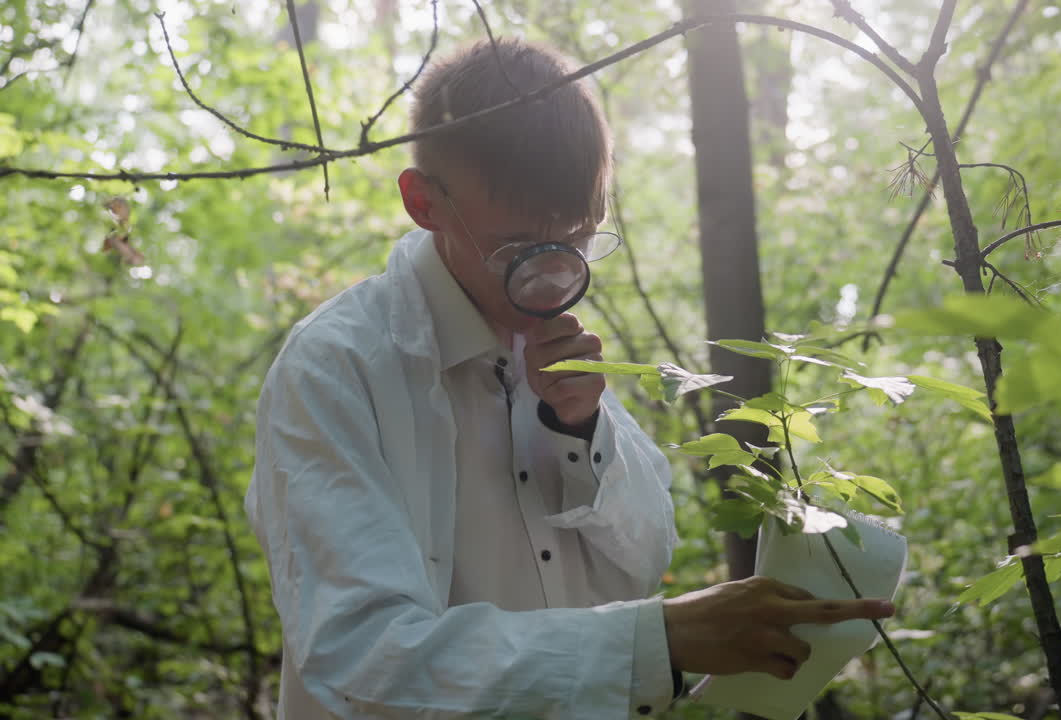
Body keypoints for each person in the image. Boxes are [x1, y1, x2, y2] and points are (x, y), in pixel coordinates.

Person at [244, 36, 895, 720]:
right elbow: (363, 655)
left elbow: (643, 558)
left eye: (579, 240)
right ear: (424, 203)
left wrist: (578, 431)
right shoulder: (337, 370)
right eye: (520, 247)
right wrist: (661, 637)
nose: (555, 277)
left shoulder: (563, 363)